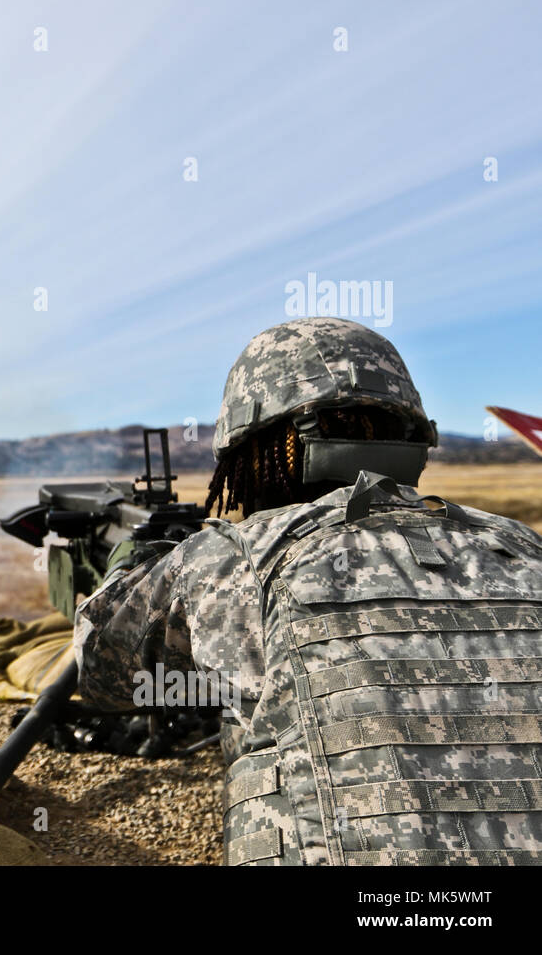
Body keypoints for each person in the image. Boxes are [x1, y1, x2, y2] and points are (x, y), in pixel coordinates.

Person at [74, 317, 542, 865]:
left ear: (261, 450)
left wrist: (138, 557)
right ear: (416, 437)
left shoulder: (234, 559)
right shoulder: (522, 546)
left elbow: (105, 672)